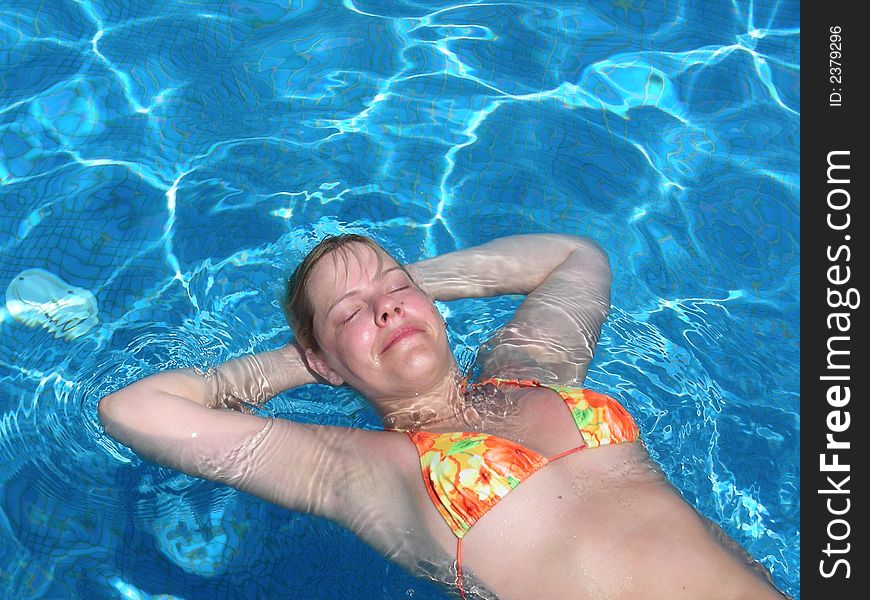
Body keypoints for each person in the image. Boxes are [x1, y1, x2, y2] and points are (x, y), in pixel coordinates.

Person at [98, 233, 785, 599]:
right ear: (327, 362)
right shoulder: (366, 471)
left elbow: (576, 258)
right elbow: (131, 409)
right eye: (351, 315)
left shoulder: (535, 373)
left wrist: (404, 286)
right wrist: (297, 362)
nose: (385, 309)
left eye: (397, 292)